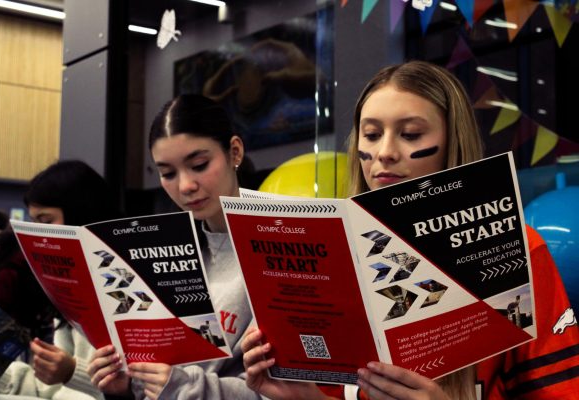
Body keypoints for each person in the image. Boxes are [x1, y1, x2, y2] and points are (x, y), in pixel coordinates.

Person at [241, 60, 579, 399]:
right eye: (371, 135)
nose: (384, 153)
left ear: (452, 141)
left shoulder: (516, 249)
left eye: (411, 134)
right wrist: (303, 395)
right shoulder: (338, 254)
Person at [87, 94, 262, 400]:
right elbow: (155, 378)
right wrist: (125, 386)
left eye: (199, 165)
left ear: (235, 152)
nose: (184, 186)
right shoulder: (162, 252)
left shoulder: (277, 248)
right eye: (168, 173)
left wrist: (185, 387)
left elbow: (283, 391)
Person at [0, 160, 118, 400]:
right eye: (34, 222)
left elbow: (132, 390)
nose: (38, 233)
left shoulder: (123, 288)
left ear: (81, 213)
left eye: (46, 221)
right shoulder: (65, 289)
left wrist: (71, 371)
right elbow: (50, 391)